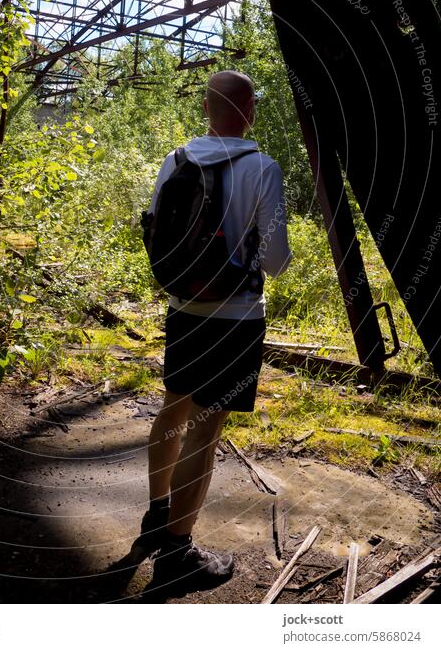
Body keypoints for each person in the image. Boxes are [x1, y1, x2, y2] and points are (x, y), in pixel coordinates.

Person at [134, 70, 292, 594]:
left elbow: (155, 231)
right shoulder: (262, 168)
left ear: (206, 108)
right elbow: (273, 261)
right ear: (250, 111)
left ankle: (157, 516)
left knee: (174, 406)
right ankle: (178, 553)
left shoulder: (175, 160)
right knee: (205, 429)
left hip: (183, 308)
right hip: (235, 318)